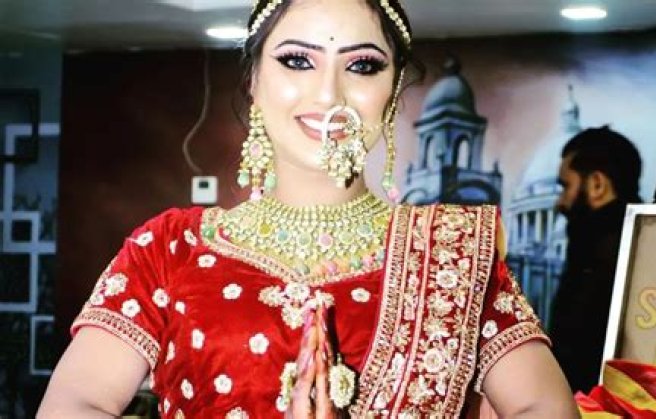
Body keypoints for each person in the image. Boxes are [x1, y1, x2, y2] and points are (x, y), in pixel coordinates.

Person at [39, 0, 578, 417]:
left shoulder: (452, 257)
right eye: (297, 61)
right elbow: (75, 403)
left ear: (392, 91)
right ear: (254, 81)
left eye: (362, 65)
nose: (328, 94)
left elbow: (545, 407)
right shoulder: (171, 248)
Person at [549, 126, 642, 394]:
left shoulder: (598, 251)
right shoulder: (641, 241)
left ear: (597, 184)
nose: (560, 202)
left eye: (566, 186)